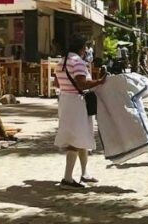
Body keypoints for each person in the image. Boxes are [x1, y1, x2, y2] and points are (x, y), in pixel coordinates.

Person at [54, 35, 105, 189]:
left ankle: (85, 173)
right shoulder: (78, 62)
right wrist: (99, 81)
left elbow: (57, 82)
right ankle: (67, 179)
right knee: (75, 139)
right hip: (77, 103)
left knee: (81, 137)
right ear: (82, 48)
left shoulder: (61, 61)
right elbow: (82, 84)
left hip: (65, 101)